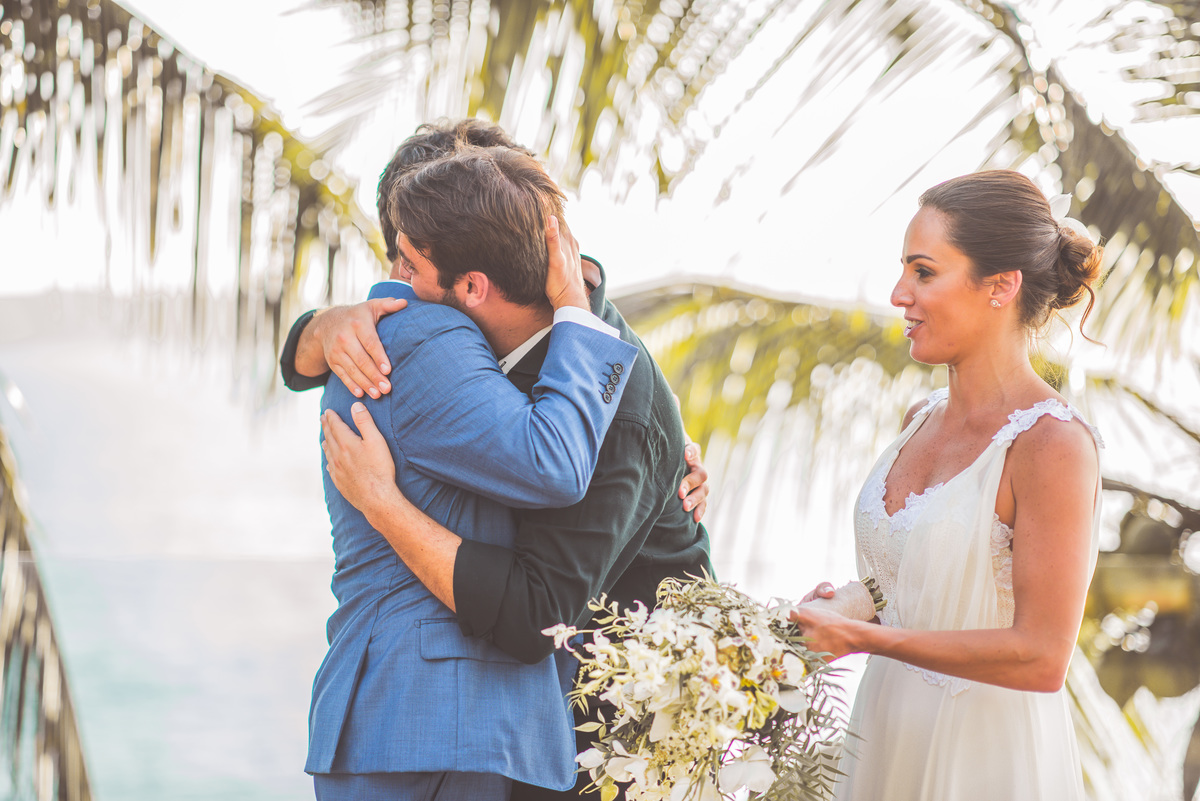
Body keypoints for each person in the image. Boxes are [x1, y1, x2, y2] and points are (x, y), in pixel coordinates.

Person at [318, 145, 716, 799]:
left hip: (619, 741)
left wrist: (381, 501)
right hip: (531, 729)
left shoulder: (615, 410)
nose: (394, 285)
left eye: (408, 263)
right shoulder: (489, 345)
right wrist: (319, 329)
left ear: (473, 286)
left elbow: (535, 611)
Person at [790, 170, 1104, 800]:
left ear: (1001, 286)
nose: (899, 294)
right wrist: (851, 606)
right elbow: (924, 584)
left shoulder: (1052, 444)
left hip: (982, 756)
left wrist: (862, 639)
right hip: (884, 734)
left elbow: (1042, 657)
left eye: (924, 272)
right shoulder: (920, 418)